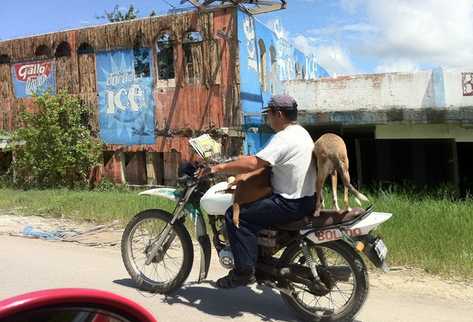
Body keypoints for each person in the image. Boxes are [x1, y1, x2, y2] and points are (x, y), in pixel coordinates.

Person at [199, 94, 316, 288]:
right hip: (306, 199)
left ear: (278, 114)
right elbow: (264, 162)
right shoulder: (301, 132)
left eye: (268, 114)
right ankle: (260, 258)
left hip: (289, 204)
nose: (267, 118)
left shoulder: (284, 137)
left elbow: (255, 162)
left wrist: (217, 168)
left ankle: (244, 272)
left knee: (235, 216)